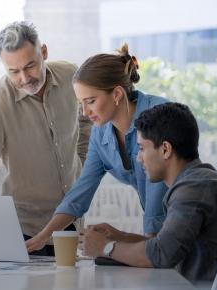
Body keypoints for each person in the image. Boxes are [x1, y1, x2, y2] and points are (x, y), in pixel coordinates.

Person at [0, 21, 92, 256]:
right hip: (22, 230)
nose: (24, 78)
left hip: (70, 221)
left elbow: (86, 120)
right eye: (13, 71)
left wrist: (80, 162)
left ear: (44, 52)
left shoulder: (71, 75)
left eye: (30, 66)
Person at [26, 44, 170, 253]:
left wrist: (140, 246)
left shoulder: (158, 116)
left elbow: (157, 204)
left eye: (91, 101)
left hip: (189, 224)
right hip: (163, 237)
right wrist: (43, 236)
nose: (85, 113)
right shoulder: (101, 133)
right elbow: (80, 192)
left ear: (117, 94)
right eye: (81, 104)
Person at [79, 102, 217, 283]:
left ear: (165, 149)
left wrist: (106, 247)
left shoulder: (195, 187)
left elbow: (162, 254)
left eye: (141, 148)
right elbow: (169, 245)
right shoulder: (197, 181)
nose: (138, 158)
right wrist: (120, 237)